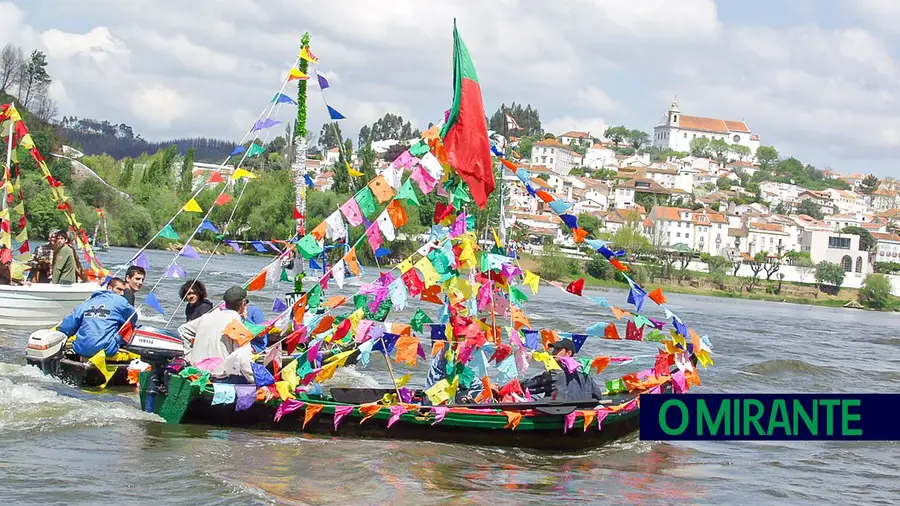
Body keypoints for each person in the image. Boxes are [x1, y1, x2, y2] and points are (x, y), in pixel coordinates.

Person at [178, 285, 255, 383]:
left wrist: (189, 356)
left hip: (197, 372)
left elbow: (183, 329)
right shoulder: (237, 325)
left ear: (225, 303)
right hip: (220, 377)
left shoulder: (206, 317)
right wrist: (256, 382)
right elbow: (245, 361)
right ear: (243, 304)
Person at [56, 277, 137, 359]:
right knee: (129, 327)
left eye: (123, 291)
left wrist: (61, 334)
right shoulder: (121, 301)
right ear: (109, 288)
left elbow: (68, 326)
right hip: (106, 349)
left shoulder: (88, 302)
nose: (122, 293)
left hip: (81, 349)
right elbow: (133, 317)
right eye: (119, 289)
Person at [521, 338, 604, 401]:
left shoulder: (555, 373)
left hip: (559, 412)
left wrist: (517, 386)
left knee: (527, 395)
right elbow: (598, 395)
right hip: (581, 411)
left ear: (568, 353)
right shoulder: (585, 374)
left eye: (557, 350)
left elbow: (526, 386)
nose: (553, 353)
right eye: (554, 349)